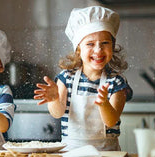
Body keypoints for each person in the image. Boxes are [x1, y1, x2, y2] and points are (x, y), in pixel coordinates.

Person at [34, 6, 133, 151]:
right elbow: (57, 113)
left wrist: (104, 104)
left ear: (113, 46)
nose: (98, 50)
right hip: (71, 151)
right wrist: (55, 99)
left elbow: (111, 121)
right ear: (78, 49)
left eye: (105, 43)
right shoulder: (66, 78)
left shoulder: (116, 83)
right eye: (90, 44)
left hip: (106, 152)